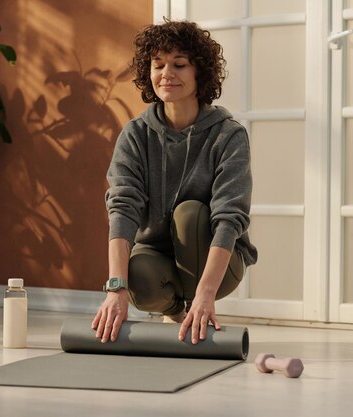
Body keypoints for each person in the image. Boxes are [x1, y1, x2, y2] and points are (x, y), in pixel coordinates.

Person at [92, 20, 258, 346]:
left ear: (200, 74)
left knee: (191, 214)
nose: (167, 73)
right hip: (158, 258)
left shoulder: (229, 135)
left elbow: (230, 217)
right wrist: (116, 287)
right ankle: (178, 312)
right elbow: (122, 209)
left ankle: (199, 303)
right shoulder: (135, 135)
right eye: (158, 65)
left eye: (179, 64)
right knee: (135, 275)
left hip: (216, 261)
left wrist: (207, 294)